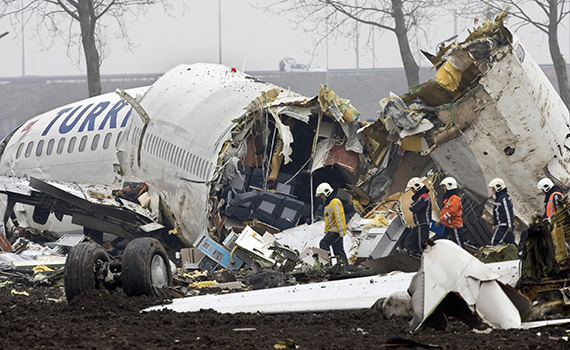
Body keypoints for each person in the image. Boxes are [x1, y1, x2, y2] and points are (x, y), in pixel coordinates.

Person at [316, 182, 349, 267]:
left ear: (326, 192)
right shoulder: (328, 204)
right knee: (338, 250)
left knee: (323, 243)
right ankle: (345, 267)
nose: (321, 197)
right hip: (333, 230)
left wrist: (341, 231)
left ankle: (327, 265)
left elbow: (339, 216)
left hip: (336, 231)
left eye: (322, 195)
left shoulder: (335, 202)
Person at [405, 177, 431, 254]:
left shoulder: (424, 197)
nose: (412, 191)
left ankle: (425, 259)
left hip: (422, 224)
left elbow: (414, 208)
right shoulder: (421, 197)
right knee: (410, 240)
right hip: (418, 225)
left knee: (422, 245)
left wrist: (411, 205)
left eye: (412, 189)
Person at [488, 178, 516, 246]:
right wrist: (495, 223)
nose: (492, 190)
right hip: (501, 225)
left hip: (503, 225)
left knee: (495, 242)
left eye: (493, 188)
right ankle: (520, 254)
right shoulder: (499, 198)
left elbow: (508, 212)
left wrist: (510, 225)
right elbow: (496, 213)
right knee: (510, 242)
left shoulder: (503, 198)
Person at [438, 177, 465, 248]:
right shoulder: (448, 198)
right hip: (448, 225)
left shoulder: (455, 198)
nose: (444, 188)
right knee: (439, 240)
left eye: (444, 186)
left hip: (454, 226)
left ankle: (462, 257)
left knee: (459, 244)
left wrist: (441, 219)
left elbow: (451, 212)